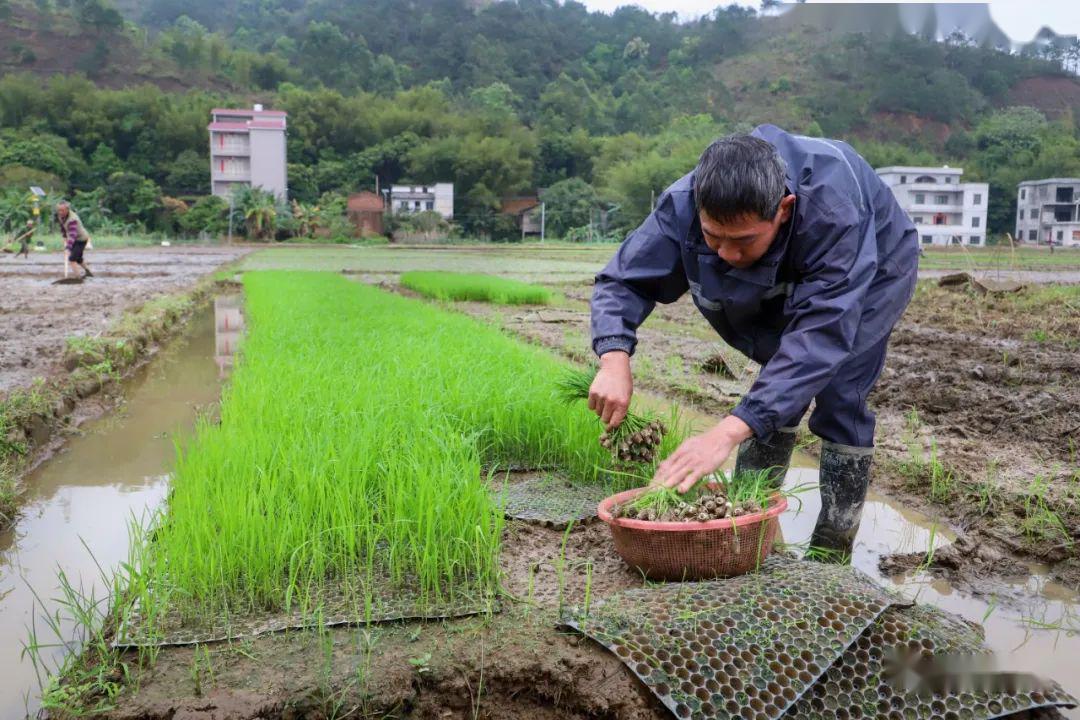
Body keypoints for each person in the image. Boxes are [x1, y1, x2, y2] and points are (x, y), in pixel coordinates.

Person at [588, 125, 919, 561]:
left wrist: (725, 433)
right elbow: (624, 281)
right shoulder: (683, 202)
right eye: (712, 236)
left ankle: (832, 550)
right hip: (791, 264)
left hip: (874, 269)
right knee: (778, 379)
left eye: (742, 240)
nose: (726, 254)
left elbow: (822, 334)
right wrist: (613, 357)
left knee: (839, 391)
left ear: (784, 209)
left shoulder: (832, 211)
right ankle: (749, 524)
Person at [56, 201, 93, 278]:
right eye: (59, 210)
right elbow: (62, 227)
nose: (60, 212)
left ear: (67, 209)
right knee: (78, 258)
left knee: (72, 259)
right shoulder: (60, 216)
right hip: (74, 239)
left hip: (81, 239)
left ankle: (78, 277)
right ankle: (88, 272)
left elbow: (73, 235)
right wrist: (64, 237)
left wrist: (68, 248)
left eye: (62, 210)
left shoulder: (72, 219)